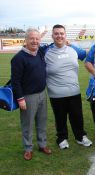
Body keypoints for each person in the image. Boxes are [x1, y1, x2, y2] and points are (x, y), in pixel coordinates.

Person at [45, 24, 92, 149]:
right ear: (52, 36)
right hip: (56, 93)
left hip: (74, 91)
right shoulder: (46, 51)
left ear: (65, 35)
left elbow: (87, 55)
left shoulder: (73, 49)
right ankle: (62, 138)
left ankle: (80, 136)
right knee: (60, 118)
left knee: (77, 116)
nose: (59, 36)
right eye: (56, 33)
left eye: (61, 33)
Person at [11, 28, 51, 160]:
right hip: (27, 97)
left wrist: (66, 42)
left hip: (42, 94)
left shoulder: (39, 52)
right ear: (26, 40)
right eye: (31, 38)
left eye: (37, 39)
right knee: (27, 124)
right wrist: (20, 99)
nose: (34, 41)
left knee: (42, 121)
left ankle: (42, 144)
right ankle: (28, 148)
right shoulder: (18, 58)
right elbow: (15, 82)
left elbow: (49, 45)